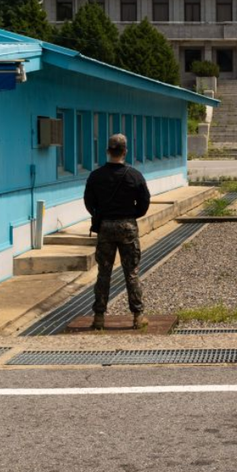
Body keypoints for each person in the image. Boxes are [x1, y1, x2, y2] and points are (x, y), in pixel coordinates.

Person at [84, 133, 152, 330]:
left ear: (107, 151)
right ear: (125, 151)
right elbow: (144, 203)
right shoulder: (134, 175)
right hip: (128, 227)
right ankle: (138, 316)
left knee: (103, 272)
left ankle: (99, 317)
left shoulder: (95, 176)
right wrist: (131, 214)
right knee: (131, 272)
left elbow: (89, 202)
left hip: (105, 226)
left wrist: (100, 214)